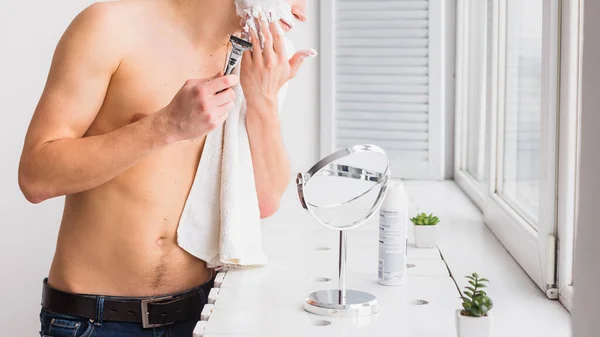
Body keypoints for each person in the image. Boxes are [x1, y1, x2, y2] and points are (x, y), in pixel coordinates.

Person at [18, 0, 311, 335]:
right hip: (94, 320)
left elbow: (266, 201)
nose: (302, 13)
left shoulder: (258, 60)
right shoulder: (111, 27)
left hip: (202, 313)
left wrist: (264, 101)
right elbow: (35, 177)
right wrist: (164, 126)